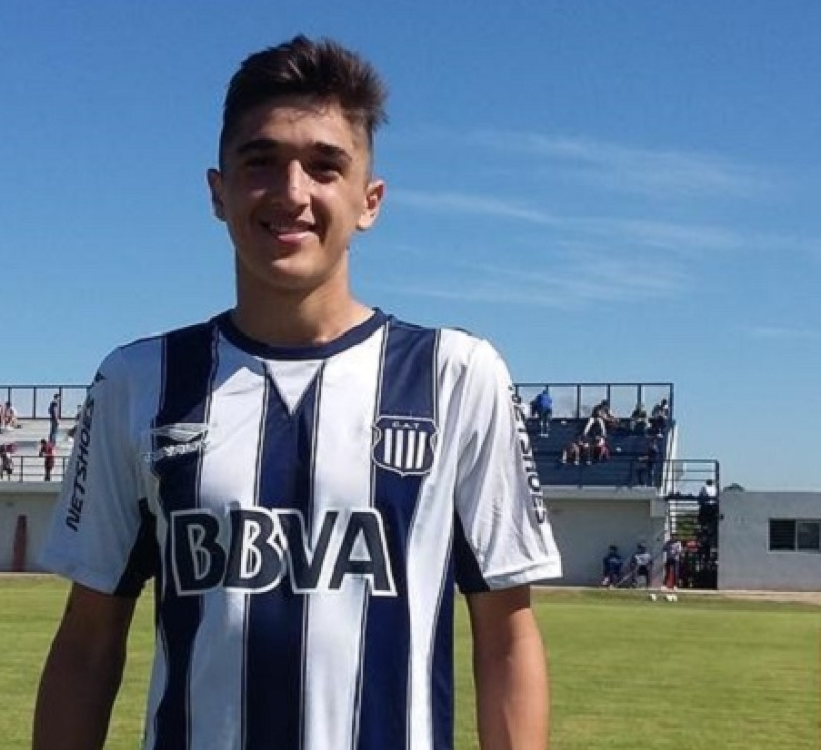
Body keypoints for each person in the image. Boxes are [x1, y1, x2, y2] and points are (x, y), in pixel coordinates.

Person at [33, 36, 562, 750]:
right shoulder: (138, 382)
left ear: (369, 201)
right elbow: (87, 642)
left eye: (324, 166)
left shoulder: (456, 376)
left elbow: (506, 638)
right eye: (261, 162)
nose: (291, 192)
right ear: (218, 192)